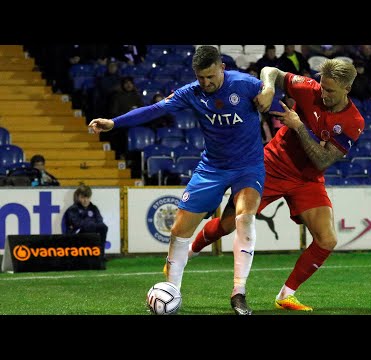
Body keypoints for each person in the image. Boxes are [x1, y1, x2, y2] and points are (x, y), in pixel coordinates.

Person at [88, 45, 270, 315]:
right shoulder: (191, 92)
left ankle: (238, 293)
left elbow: (277, 90)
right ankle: (172, 291)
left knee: (244, 217)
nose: (206, 83)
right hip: (212, 168)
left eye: (210, 76)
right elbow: (153, 110)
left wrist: (269, 89)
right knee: (178, 231)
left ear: (222, 67)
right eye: (201, 78)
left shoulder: (245, 85)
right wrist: (114, 123)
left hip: (248, 166)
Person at [188, 59, 365, 311]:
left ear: (347, 88)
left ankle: (285, 295)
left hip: (308, 178)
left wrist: (299, 126)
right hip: (270, 167)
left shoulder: (353, 121)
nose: (323, 93)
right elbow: (270, 71)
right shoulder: (308, 88)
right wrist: (269, 87)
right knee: (228, 225)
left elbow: (322, 160)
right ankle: (191, 251)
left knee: (327, 240)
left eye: (330, 90)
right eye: (323, 87)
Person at [64, 184, 108, 264]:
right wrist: (90, 224)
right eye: (83, 198)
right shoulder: (73, 209)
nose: (85, 200)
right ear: (78, 197)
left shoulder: (94, 208)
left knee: (103, 227)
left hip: (91, 230)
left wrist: (92, 225)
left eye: (87, 197)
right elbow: (76, 223)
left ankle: (101, 254)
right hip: (79, 233)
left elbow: (100, 220)